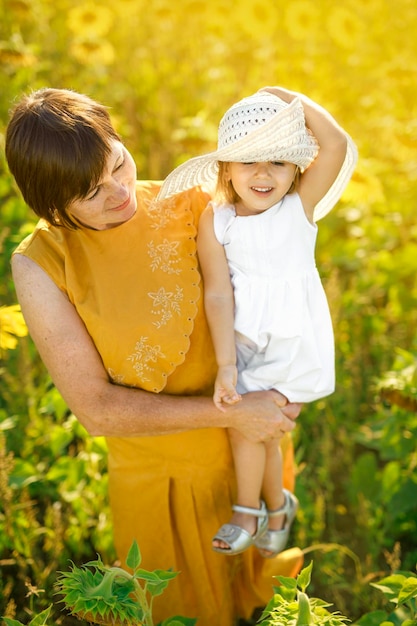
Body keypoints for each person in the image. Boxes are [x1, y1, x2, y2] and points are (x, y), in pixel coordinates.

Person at [5, 87, 306, 626]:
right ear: (52, 206)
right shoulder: (41, 264)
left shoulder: (192, 200)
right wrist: (235, 411)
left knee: (270, 606)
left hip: (250, 447)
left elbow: (281, 287)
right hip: (160, 477)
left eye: (118, 164)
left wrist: (288, 383)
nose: (119, 192)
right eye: (91, 193)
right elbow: (96, 410)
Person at [156, 87, 358, 557]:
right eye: (249, 161)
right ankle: (276, 505)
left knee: (251, 427)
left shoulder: (298, 208)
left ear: (297, 171)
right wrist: (226, 365)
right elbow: (218, 291)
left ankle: (249, 510)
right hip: (244, 343)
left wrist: (290, 98)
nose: (263, 174)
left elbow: (337, 145)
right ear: (226, 168)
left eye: (279, 162)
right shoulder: (218, 220)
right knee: (254, 426)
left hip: (293, 345)